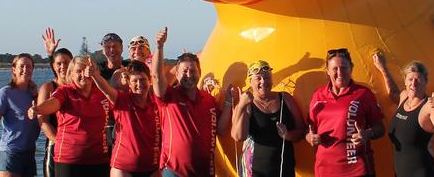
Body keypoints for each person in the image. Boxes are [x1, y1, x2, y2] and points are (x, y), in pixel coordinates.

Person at [151, 27, 232, 177]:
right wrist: (159, 46)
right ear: (177, 73)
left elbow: (221, 130)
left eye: (193, 71)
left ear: (200, 72)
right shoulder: (168, 97)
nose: (189, 75)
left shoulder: (209, 100)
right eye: (184, 71)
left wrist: (228, 102)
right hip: (173, 172)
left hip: (205, 172)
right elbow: (156, 76)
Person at [305, 48, 385, 177]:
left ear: (351, 68)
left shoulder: (363, 94)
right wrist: (310, 138)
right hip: (324, 170)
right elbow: (308, 130)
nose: (340, 73)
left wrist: (367, 134)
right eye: (335, 69)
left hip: (357, 170)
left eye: (344, 68)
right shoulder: (318, 95)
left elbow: (380, 128)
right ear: (327, 70)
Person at [29, 55, 111, 177]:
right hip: (69, 159)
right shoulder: (65, 91)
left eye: (87, 70)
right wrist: (38, 109)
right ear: (71, 75)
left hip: (99, 159)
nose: (83, 74)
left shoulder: (102, 93)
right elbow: (53, 103)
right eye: (78, 71)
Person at [372, 52, 434, 177]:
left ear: (426, 82)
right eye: (410, 79)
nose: (413, 84)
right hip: (400, 172)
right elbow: (393, 93)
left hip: (421, 172)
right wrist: (383, 69)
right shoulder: (404, 96)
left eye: (418, 80)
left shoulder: (428, 107)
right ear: (405, 81)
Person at [231, 60, 305, 177]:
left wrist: (288, 135)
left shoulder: (285, 98)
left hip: (284, 169)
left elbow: (302, 130)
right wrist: (241, 106)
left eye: (267, 77)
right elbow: (238, 136)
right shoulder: (247, 104)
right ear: (250, 81)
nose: (263, 81)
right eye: (258, 78)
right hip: (255, 171)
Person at [88, 59, 162, 177]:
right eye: (135, 81)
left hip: (152, 167)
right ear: (129, 83)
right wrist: (95, 76)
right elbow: (106, 89)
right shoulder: (121, 100)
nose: (139, 84)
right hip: (123, 167)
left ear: (150, 80)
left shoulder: (157, 103)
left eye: (143, 80)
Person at [0, 53, 40, 177]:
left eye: (29, 66)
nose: (25, 69)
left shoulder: (34, 93)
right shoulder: (5, 93)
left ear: (33, 69)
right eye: (22, 66)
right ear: (14, 69)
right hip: (10, 153)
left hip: (30, 154)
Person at [38, 27, 74, 177]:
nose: (63, 67)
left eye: (66, 63)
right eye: (58, 63)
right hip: (56, 144)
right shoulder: (48, 87)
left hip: (76, 145)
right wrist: (59, 141)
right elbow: (43, 121)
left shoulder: (78, 87)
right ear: (53, 65)